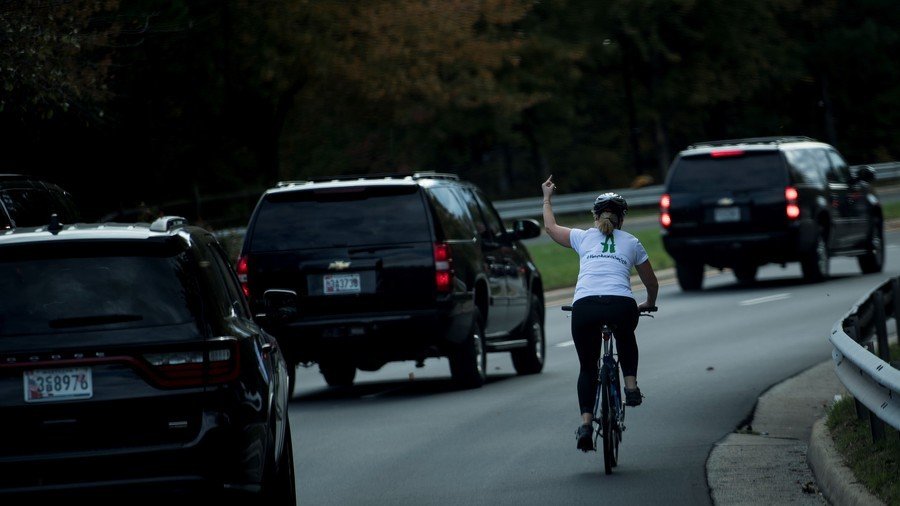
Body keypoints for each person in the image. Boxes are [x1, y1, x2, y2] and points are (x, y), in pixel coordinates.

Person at [541, 175, 659, 452]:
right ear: (622, 218)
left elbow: (550, 228)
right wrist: (648, 302)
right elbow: (651, 282)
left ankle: (585, 424)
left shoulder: (582, 237)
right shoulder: (632, 241)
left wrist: (547, 197)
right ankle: (630, 386)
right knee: (626, 334)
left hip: (585, 306)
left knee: (587, 367)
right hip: (621, 304)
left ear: (595, 216)